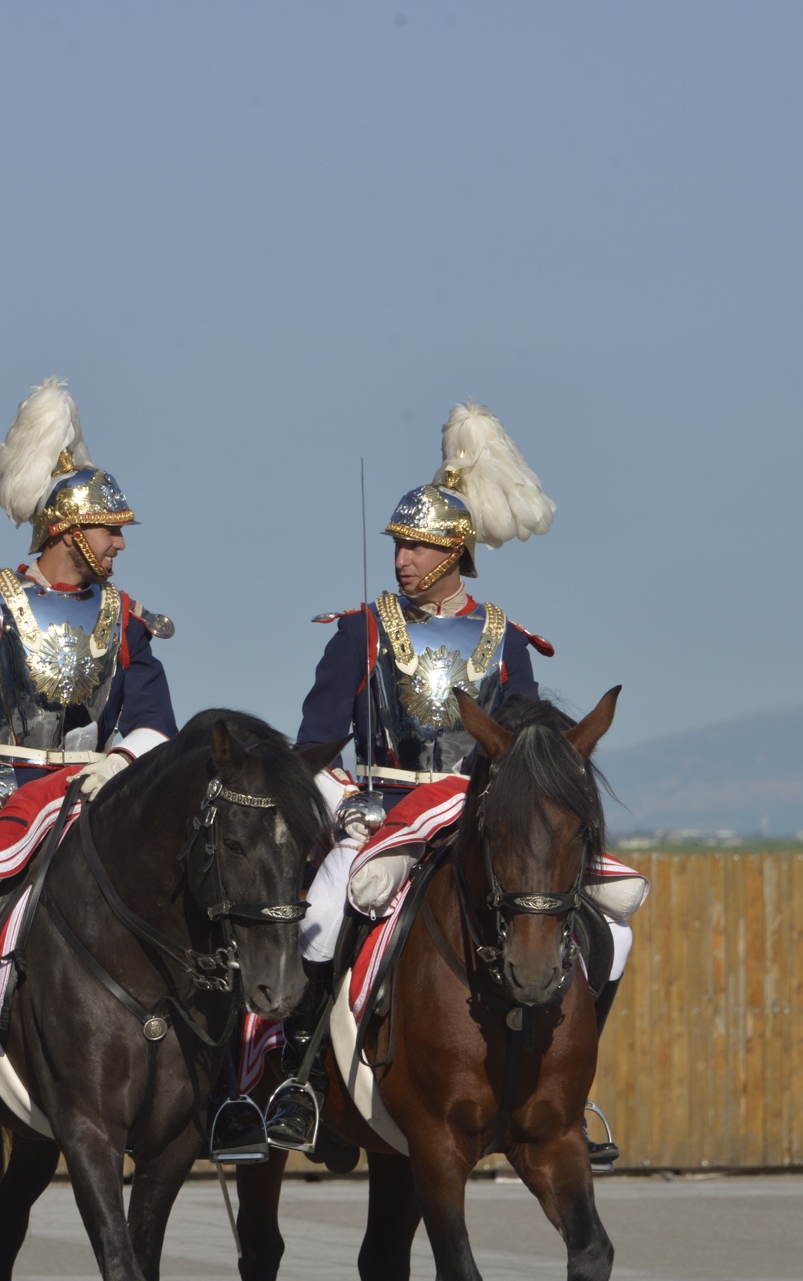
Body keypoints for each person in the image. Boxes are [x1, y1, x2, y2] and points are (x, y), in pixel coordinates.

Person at [265, 400, 648, 1169]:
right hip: (383, 811)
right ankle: (297, 1081)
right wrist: (328, 800)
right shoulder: (362, 632)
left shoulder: (506, 640)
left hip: (475, 812)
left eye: (416, 546)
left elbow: (523, 747)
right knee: (319, 914)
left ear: (454, 551)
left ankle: (568, 1086)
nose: (402, 559)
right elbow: (315, 740)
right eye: (400, 544)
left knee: (613, 926)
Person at [0, 377, 177, 1175]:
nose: (120, 545)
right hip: (0, 798)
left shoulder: (126, 620)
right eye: (108, 531)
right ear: (67, 530)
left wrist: (115, 766)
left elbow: (156, 722)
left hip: (93, 799)